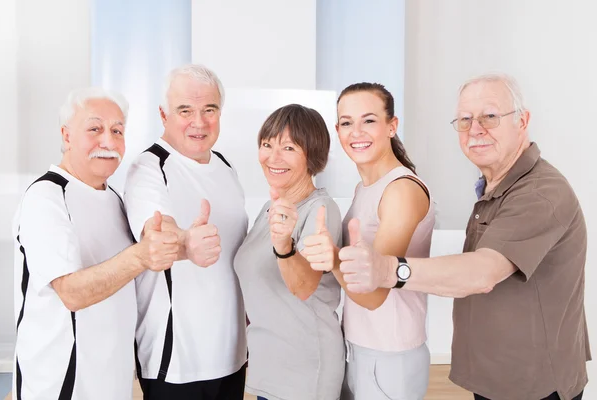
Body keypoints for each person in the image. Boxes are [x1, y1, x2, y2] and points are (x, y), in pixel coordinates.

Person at [333, 74, 590, 400]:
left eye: (490, 117)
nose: (475, 129)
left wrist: (385, 270)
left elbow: (483, 272)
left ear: (522, 121)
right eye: (465, 120)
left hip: (534, 384)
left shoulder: (540, 193)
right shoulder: (494, 188)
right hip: (496, 376)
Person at [12, 88, 178, 400]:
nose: (108, 141)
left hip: (111, 381)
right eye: (94, 129)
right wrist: (140, 257)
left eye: (117, 130)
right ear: (66, 135)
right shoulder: (46, 197)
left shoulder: (113, 198)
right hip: (61, 384)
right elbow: (71, 293)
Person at [302, 83, 435, 400]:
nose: (356, 131)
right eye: (347, 122)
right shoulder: (366, 188)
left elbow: (375, 293)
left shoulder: (401, 190)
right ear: (337, 130)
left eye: (369, 120)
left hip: (390, 356)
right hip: (360, 347)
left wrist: (333, 258)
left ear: (392, 126)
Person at [124, 64, 248, 400]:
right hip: (179, 363)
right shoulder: (148, 169)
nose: (199, 122)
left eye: (209, 110)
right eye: (185, 111)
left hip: (232, 354)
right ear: (164, 115)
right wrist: (185, 242)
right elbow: (157, 231)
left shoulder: (225, 165)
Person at [234, 104, 345, 400]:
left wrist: (284, 246)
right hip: (270, 365)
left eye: (289, 147)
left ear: (313, 154)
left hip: (305, 370)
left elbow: (304, 286)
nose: (273, 157)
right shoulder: (270, 208)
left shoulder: (320, 210)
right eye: (267, 144)